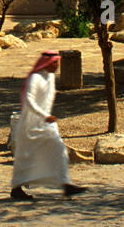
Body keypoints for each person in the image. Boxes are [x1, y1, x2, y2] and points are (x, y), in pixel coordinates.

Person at [10, 51, 86, 201]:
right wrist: (45, 116)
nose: (56, 66)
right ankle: (17, 188)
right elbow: (29, 101)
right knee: (26, 158)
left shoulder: (50, 77)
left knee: (58, 150)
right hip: (30, 125)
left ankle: (65, 184)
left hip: (46, 125)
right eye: (54, 63)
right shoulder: (35, 78)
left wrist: (46, 118)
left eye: (57, 63)